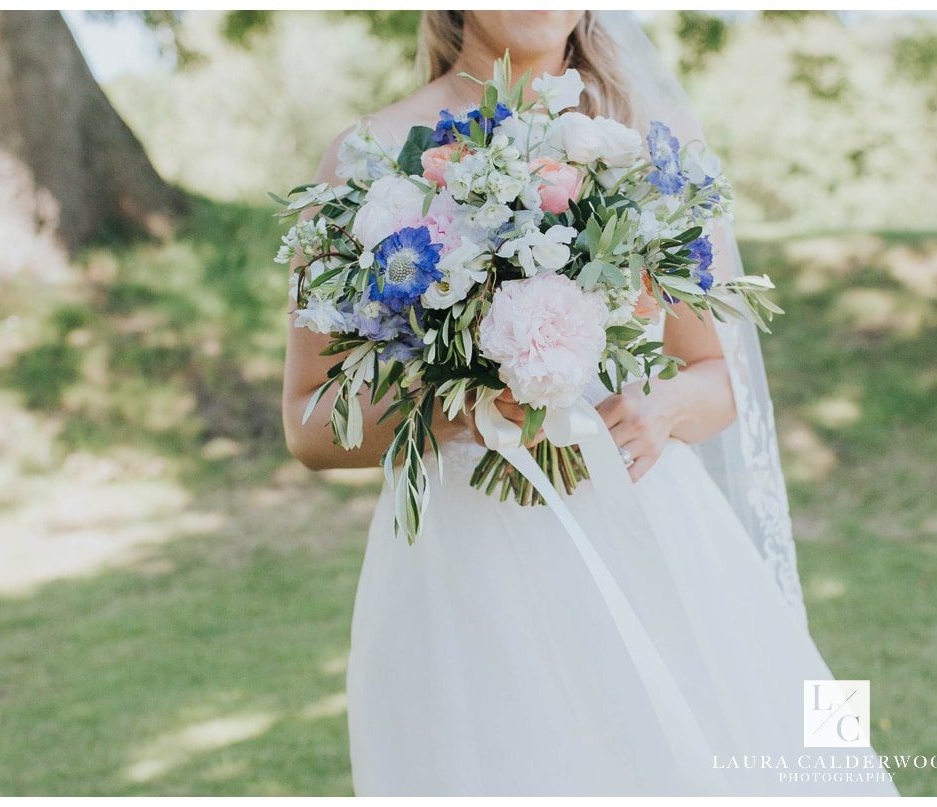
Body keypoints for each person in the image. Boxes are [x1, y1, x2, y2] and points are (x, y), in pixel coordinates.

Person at [282, 10, 899, 797]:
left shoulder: (653, 139)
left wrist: (663, 405)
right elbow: (308, 420)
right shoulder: (365, 156)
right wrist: (463, 408)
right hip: (465, 562)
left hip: (646, 529)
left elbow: (717, 377)